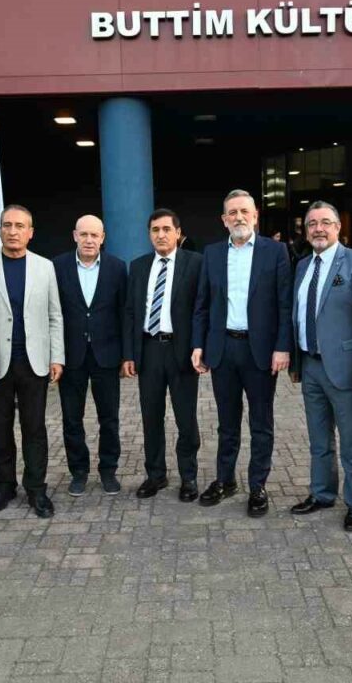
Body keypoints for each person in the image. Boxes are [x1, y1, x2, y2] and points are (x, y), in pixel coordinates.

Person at [192, 189, 293, 517]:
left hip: (260, 351)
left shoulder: (275, 251)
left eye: (244, 211)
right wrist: (199, 345)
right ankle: (225, 480)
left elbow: (284, 304)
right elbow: (202, 304)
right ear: (224, 220)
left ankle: (257, 485)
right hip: (223, 349)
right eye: (232, 212)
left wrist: (282, 346)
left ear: (255, 216)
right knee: (227, 423)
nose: (239, 217)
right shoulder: (212, 253)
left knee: (261, 423)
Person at [288, 202, 352, 532]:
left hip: (347, 369)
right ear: (305, 230)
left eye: (325, 222)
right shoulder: (302, 265)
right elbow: (298, 315)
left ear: (338, 227)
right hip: (311, 365)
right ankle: (322, 493)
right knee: (319, 440)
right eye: (312, 223)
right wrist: (296, 362)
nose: (318, 228)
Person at [0, 204, 64, 519]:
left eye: (19, 226)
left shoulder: (45, 267)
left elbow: (54, 315)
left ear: (30, 232)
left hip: (34, 362)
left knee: (35, 428)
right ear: (0, 229)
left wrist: (57, 357)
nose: (13, 231)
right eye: (7, 225)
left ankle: (36, 489)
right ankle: (4, 487)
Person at [122, 209, 204, 502]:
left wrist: (200, 347)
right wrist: (129, 353)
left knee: (186, 418)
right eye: (155, 230)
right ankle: (155, 475)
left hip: (181, 352)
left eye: (166, 229)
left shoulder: (195, 263)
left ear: (178, 233)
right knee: (151, 417)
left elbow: (201, 308)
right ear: (149, 234)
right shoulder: (139, 266)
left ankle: (188, 476)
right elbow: (130, 312)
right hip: (149, 350)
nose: (161, 235)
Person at [53, 214, 128, 496]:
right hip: (71, 356)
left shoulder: (117, 268)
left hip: (106, 356)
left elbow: (124, 313)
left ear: (102, 238)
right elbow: (52, 312)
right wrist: (54, 355)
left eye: (94, 235)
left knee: (109, 418)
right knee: (72, 419)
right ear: (75, 236)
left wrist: (126, 355)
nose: (88, 240)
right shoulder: (57, 266)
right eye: (83, 234)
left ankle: (108, 471)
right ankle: (79, 471)